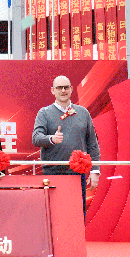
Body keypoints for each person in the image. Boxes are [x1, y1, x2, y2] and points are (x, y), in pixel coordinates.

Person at [32, 75, 101, 214]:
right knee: (55, 213)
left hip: (78, 172)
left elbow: (92, 144)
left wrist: (95, 171)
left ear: (71, 89)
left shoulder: (83, 113)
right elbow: (36, 138)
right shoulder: (44, 113)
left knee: (77, 213)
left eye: (66, 87)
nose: (63, 91)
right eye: (59, 88)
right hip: (52, 173)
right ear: (53, 90)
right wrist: (51, 139)